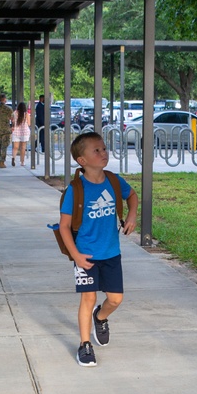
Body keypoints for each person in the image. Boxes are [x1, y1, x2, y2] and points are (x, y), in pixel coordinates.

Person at [57, 132, 138, 367]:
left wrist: (132, 214)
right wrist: (76, 256)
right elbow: (63, 226)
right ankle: (84, 345)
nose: (103, 153)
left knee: (115, 299)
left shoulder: (114, 181)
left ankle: (100, 318)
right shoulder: (76, 190)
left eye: (103, 149)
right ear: (82, 160)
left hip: (111, 252)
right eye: (96, 150)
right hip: (86, 255)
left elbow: (131, 195)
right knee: (88, 298)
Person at [0, 93, 13, 168]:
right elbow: (12, 119)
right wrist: (12, 127)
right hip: (5, 130)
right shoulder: (9, 109)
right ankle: (2, 162)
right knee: (4, 147)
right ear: (5, 99)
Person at [10, 101, 30, 167]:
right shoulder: (26, 114)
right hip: (24, 132)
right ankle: (22, 161)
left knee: (15, 147)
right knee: (23, 148)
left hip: (16, 132)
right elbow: (29, 123)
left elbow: (12, 121)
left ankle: (13, 158)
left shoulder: (14, 113)